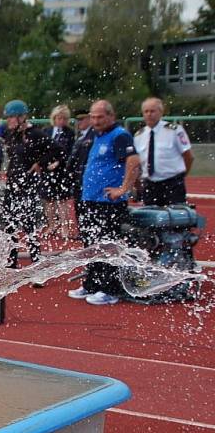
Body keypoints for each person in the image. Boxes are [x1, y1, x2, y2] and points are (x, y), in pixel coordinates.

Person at [68, 100, 141, 306]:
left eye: (100, 117)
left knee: (108, 245)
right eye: (93, 117)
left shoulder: (119, 135)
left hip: (108, 202)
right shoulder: (96, 136)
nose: (96, 121)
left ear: (111, 116)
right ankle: (92, 283)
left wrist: (123, 188)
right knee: (91, 244)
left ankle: (110, 288)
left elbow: (133, 161)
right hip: (91, 200)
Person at [0, 99, 60, 268]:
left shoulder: (35, 133)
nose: (9, 121)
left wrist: (40, 163)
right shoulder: (11, 134)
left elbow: (57, 150)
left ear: (22, 117)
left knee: (29, 225)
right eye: (8, 118)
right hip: (12, 183)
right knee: (10, 224)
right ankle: (12, 261)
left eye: (12, 117)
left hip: (28, 184)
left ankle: (35, 261)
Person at [133, 97, 194, 206]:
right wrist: (137, 183)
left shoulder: (174, 130)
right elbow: (137, 163)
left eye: (152, 111)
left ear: (161, 112)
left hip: (172, 184)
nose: (149, 114)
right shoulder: (139, 136)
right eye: (146, 111)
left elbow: (188, 157)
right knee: (150, 219)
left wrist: (181, 176)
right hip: (150, 185)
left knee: (176, 219)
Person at [41, 105, 76, 239]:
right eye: (58, 118)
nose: (61, 121)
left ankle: (64, 226)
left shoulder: (70, 133)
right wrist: (46, 163)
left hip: (62, 170)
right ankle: (51, 225)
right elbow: (42, 149)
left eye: (63, 118)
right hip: (47, 170)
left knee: (62, 200)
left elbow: (69, 151)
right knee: (48, 200)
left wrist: (58, 162)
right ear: (54, 118)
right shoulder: (46, 131)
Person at [66, 109, 95, 232]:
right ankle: (84, 233)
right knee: (80, 211)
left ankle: (87, 234)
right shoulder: (81, 136)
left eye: (82, 119)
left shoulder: (93, 136)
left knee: (88, 212)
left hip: (87, 179)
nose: (79, 122)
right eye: (78, 120)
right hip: (78, 179)